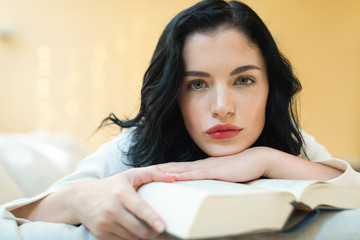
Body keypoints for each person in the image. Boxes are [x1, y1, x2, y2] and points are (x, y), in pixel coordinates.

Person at [1, 0, 359, 240]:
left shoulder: (288, 140)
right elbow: (16, 219)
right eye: (197, 84)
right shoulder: (133, 148)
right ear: (174, 93)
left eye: (244, 80)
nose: (223, 107)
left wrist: (264, 160)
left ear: (270, 88)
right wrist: (80, 199)